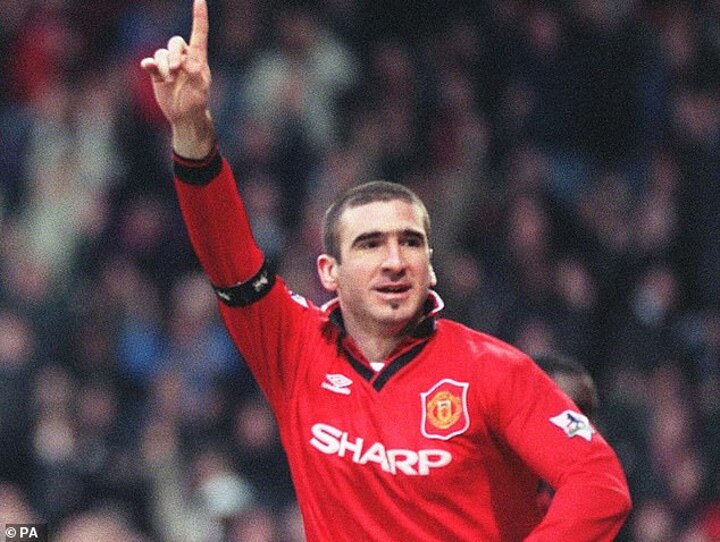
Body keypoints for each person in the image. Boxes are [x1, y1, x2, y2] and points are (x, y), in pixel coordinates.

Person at [140, 1, 632, 539]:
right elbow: (228, 257)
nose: (394, 261)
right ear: (329, 271)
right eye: (371, 244)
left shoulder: (495, 372)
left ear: (431, 267)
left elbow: (598, 483)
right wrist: (191, 129)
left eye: (410, 243)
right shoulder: (294, 350)